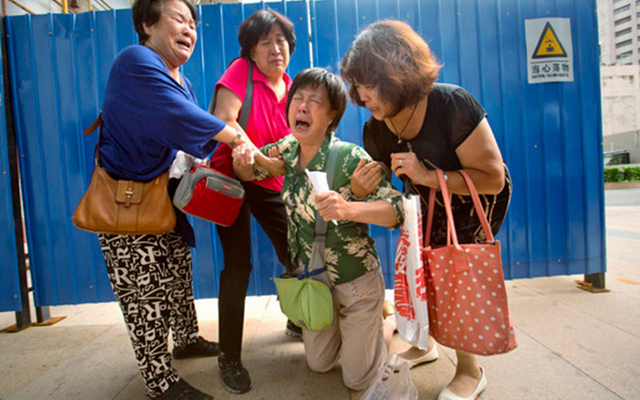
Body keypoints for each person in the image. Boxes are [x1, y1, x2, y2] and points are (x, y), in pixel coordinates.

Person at [340, 20, 512, 400]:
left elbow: (492, 178)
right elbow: (388, 176)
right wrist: (363, 185)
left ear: (397, 73)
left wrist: (428, 175)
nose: (361, 95)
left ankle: (470, 370)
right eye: (356, 84)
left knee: (454, 275)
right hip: (425, 203)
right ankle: (426, 343)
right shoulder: (376, 127)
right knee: (425, 272)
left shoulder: (452, 105)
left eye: (368, 83)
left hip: (473, 203)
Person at [96, 0, 252, 398]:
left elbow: (185, 139)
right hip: (128, 202)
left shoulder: (178, 77)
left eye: (193, 24)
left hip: (164, 197)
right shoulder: (136, 61)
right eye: (179, 19)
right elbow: (182, 118)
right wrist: (237, 138)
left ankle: (184, 339)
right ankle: (159, 382)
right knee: (145, 293)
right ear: (148, 23)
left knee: (177, 275)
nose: (189, 30)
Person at [232, 68, 402, 393]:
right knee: (319, 364)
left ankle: (388, 322)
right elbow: (251, 169)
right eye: (298, 98)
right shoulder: (287, 150)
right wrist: (242, 156)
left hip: (355, 283)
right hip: (315, 281)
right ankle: (354, 334)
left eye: (315, 101)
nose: (303, 107)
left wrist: (348, 207)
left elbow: (395, 211)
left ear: (332, 114)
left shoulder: (349, 157)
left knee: (356, 379)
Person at [208, 9, 298, 394]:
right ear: (251, 49)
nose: (276, 49)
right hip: (230, 180)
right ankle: (229, 356)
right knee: (238, 266)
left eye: (281, 41)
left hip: (270, 183)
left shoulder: (292, 86)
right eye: (266, 42)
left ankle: (297, 318)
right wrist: (253, 154)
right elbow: (222, 120)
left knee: (296, 250)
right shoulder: (239, 72)